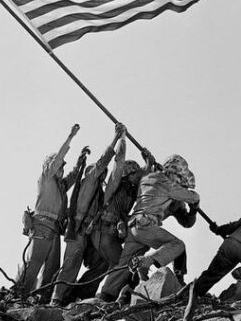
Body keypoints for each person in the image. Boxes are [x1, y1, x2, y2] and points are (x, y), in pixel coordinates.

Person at [97, 153, 201, 302]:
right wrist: (195, 205)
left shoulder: (147, 178)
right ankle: (146, 262)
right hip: (146, 225)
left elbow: (187, 222)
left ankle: (105, 295)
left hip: (133, 228)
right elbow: (193, 197)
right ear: (175, 174)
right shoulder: (167, 183)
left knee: (124, 265)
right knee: (177, 245)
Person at [50, 123, 126, 306]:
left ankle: (81, 293)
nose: (101, 173)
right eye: (98, 171)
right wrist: (117, 138)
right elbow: (102, 162)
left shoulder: (98, 190)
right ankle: (56, 298)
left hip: (89, 233)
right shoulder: (89, 181)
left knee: (104, 261)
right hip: (78, 230)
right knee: (70, 266)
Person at [69, 136, 148, 301]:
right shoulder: (115, 186)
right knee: (127, 263)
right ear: (128, 175)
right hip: (103, 232)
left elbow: (142, 178)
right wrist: (122, 139)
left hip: (109, 235)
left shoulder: (131, 191)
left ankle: (79, 294)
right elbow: (119, 162)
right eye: (135, 174)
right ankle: (119, 295)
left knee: (104, 266)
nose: (138, 177)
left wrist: (149, 162)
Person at [16, 124, 84, 300]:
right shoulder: (46, 177)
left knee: (52, 268)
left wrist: (80, 162)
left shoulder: (60, 185)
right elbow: (56, 161)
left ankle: (40, 298)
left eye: (63, 167)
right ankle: (18, 295)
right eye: (59, 166)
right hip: (42, 225)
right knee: (34, 264)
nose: (61, 168)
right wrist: (70, 138)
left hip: (54, 228)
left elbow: (73, 177)